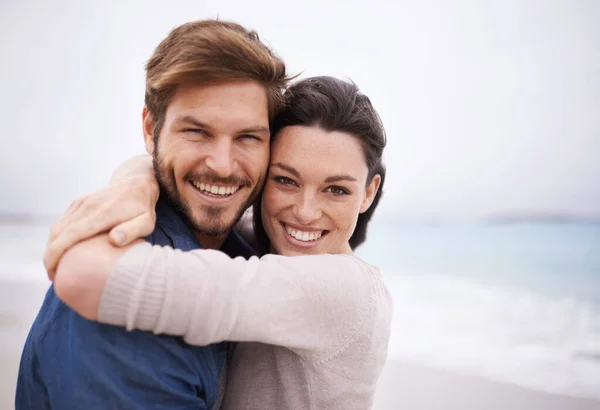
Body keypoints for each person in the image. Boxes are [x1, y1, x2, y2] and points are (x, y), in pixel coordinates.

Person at [46, 76, 393, 409]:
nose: (304, 212)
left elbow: (87, 277)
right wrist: (136, 183)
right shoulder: (265, 238)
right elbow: (184, 188)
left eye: (336, 190)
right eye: (286, 180)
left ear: (368, 192)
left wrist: (93, 233)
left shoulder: (342, 291)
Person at [16, 19, 290, 410]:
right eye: (196, 132)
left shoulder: (246, 252)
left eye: (248, 138)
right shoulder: (122, 301)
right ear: (150, 129)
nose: (224, 165)